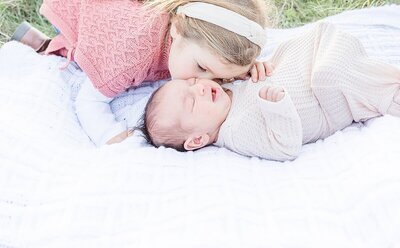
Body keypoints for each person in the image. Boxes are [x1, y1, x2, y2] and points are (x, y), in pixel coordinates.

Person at [11, 0, 273, 146]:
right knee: (88, 57)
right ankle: (49, 44)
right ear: (177, 30)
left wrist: (240, 68)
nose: (203, 84)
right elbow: (88, 101)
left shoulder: (193, 36)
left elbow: (225, 50)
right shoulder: (129, 58)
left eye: (219, 76)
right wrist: (112, 136)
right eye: (203, 69)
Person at [137, 20, 400, 161]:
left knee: (327, 68)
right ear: (198, 140)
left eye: (192, 84)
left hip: (315, 51)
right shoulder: (238, 131)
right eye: (192, 103)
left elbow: (262, 70)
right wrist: (277, 109)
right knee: (329, 76)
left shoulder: (224, 91)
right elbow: (286, 148)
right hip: (328, 95)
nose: (201, 90)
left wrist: (255, 68)